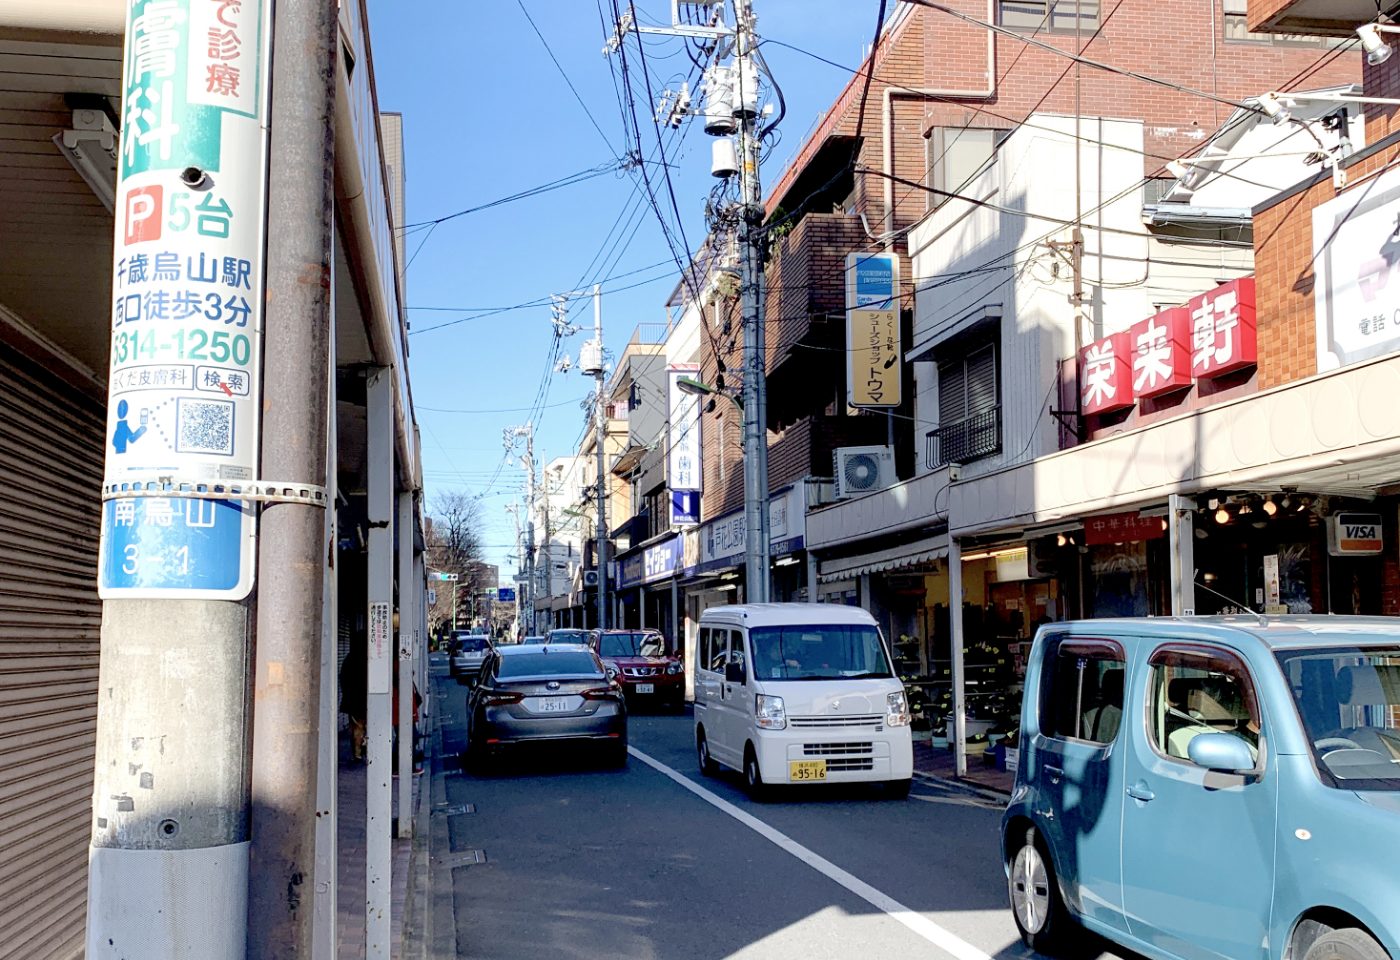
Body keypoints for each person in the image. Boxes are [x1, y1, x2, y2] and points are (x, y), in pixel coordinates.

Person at [340, 630, 368, 762]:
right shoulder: (367, 659)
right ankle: (361, 751)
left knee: (356, 727)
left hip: (351, 700)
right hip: (364, 700)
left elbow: (343, 679)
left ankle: (357, 753)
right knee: (364, 727)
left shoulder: (349, 659)